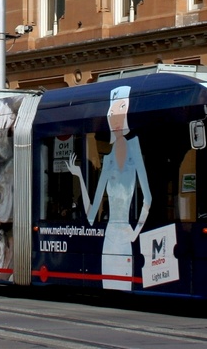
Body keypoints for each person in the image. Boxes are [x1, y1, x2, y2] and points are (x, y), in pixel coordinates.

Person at [68, 85, 152, 291]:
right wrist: (79, 176)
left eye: (121, 109)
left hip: (125, 236)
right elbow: (91, 213)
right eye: (112, 112)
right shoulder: (108, 159)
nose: (115, 117)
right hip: (110, 238)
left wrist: (135, 232)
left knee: (123, 288)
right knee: (112, 289)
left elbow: (147, 198)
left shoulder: (136, 148)